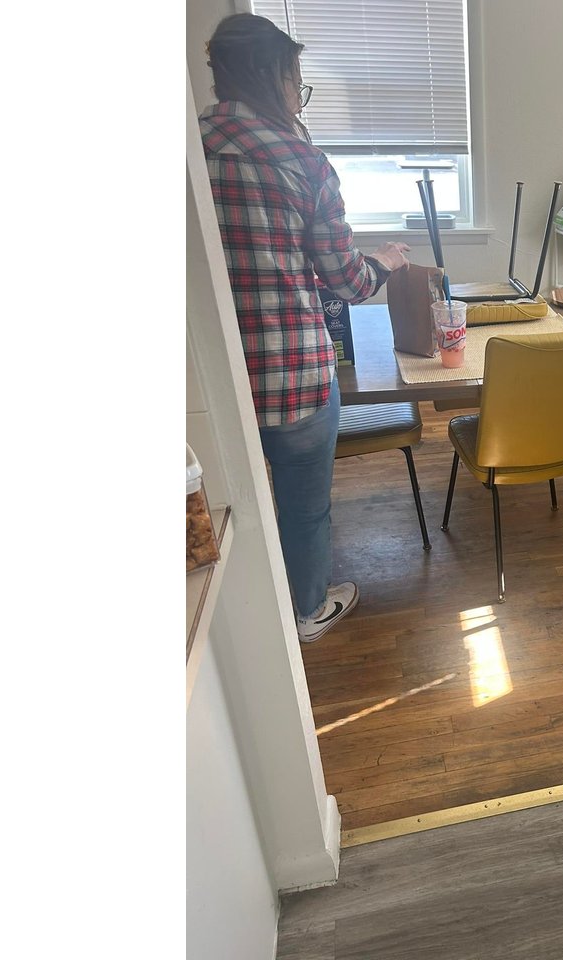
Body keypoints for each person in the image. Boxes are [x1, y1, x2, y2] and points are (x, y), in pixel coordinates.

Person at [200, 13, 410, 643]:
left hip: (208, 384)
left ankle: (235, 621)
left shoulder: (187, 146)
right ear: (274, 76)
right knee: (304, 507)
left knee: (223, 510)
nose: (299, 96)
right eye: (297, 81)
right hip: (293, 376)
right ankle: (307, 611)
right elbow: (348, 282)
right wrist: (385, 261)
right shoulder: (302, 161)